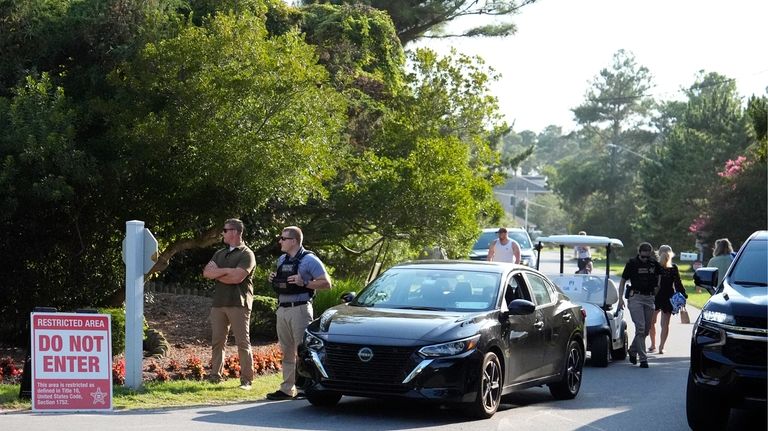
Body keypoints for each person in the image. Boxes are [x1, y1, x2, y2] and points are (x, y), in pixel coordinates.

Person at [266, 226, 331, 400]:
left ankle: (306, 387)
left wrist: (305, 282)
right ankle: (287, 389)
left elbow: (326, 283)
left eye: (283, 238)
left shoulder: (310, 260)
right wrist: (274, 279)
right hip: (282, 309)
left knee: (303, 351)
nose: (280, 241)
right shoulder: (281, 259)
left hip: (300, 308)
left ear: (293, 241)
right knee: (286, 350)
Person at [202, 218, 256, 390]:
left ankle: (247, 380)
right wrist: (226, 271)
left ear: (234, 232)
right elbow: (206, 273)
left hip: (238, 304)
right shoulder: (219, 253)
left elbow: (237, 277)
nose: (223, 233)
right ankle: (215, 376)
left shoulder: (247, 254)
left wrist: (218, 273)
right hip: (219, 303)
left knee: (242, 342)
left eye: (225, 230)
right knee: (218, 341)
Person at [617, 242, 662, 368]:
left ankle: (632, 350)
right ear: (639, 253)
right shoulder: (632, 263)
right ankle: (643, 359)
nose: (645, 258)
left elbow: (660, 275)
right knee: (640, 328)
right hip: (636, 297)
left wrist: (657, 287)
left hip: (649, 298)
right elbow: (622, 281)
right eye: (643, 256)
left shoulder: (653, 263)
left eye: (647, 256)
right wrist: (620, 299)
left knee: (646, 330)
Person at [648, 245, 688, 354]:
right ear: (671, 254)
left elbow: (651, 282)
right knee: (665, 324)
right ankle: (661, 347)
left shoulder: (655, 266)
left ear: (658, 253)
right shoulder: (673, 268)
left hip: (655, 297)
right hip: (668, 297)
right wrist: (684, 294)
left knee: (651, 322)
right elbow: (678, 283)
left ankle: (652, 345)